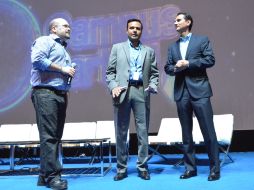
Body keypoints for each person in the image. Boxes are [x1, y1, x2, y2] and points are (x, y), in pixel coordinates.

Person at [164, 12, 220, 181]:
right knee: (186, 134)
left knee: (208, 132)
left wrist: (188, 63)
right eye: (175, 21)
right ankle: (190, 168)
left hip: (200, 91)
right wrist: (175, 68)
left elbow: (210, 60)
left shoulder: (202, 40)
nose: (175, 23)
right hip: (181, 93)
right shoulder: (172, 47)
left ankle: (215, 169)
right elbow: (167, 67)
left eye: (178, 20)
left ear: (188, 22)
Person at [106, 18, 159, 181]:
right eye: (131, 28)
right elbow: (110, 73)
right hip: (122, 92)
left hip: (141, 92)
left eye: (138, 28)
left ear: (141, 31)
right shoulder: (117, 48)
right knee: (121, 132)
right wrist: (113, 86)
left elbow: (155, 74)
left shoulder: (149, 51)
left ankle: (142, 167)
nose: (135, 30)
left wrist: (153, 85)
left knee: (143, 132)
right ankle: (121, 169)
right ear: (127, 30)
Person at [31, 18, 76, 189]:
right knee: (49, 137)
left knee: (54, 137)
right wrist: (62, 69)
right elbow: (37, 60)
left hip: (58, 93)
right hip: (45, 93)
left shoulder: (63, 48)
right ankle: (52, 177)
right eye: (65, 26)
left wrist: (68, 73)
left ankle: (44, 175)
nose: (69, 28)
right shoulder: (44, 41)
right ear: (54, 29)